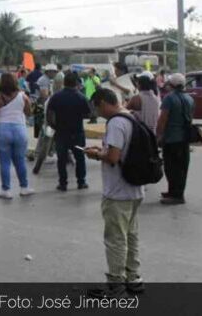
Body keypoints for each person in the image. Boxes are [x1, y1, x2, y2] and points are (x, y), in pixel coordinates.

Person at [85, 88, 145, 298]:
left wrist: (95, 154)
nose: (98, 112)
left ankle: (116, 285)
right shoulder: (131, 118)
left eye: (97, 107)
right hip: (135, 188)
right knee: (131, 236)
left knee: (116, 239)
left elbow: (113, 157)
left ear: (103, 103)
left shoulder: (116, 123)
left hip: (118, 191)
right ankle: (133, 278)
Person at [0, 73, 34, 199]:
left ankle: (6, 190)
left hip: (2, 130)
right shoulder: (23, 97)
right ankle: (24, 188)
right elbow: (29, 113)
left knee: (5, 162)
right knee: (20, 161)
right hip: (19, 130)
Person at [47, 72, 91, 191]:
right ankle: (81, 182)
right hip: (77, 133)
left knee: (61, 159)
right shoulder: (81, 97)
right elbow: (88, 113)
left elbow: (49, 115)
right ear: (76, 83)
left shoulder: (56, 97)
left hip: (61, 133)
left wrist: (54, 126)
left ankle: (63, 184)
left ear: (64, 82)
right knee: (80, 158)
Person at [156, 73, 193, 205]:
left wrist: (158, 136)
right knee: (181, 167)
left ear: (171, 85)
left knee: (171, 168)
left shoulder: (169, 98)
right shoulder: (189, 98)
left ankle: (177, 196)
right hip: (184, 138)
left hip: (172, 139)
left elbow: (162, 120)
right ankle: (173, 192)